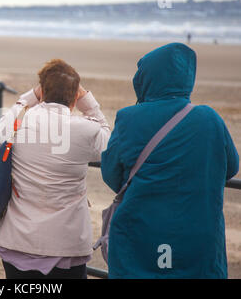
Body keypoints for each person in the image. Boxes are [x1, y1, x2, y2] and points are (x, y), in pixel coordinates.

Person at [100, 42, 239, 279]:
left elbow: (111, 174)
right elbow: (231, 167)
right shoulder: (209, 118)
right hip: (197, 240)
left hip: (140, 236)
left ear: (146, 78)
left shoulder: (129, 118)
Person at [0, 59, 111, 279]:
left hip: (19, 238)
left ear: (42, 92)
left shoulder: (21, 120)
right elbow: (108, 141)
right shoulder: (85, 129)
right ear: (75, 98)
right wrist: (88, 103)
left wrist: (30, 97)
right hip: (67, 241)